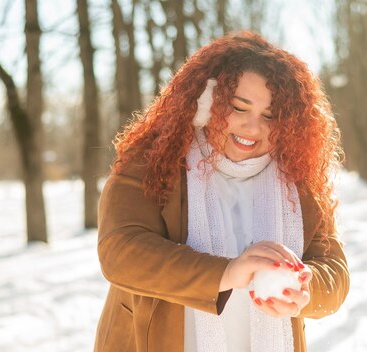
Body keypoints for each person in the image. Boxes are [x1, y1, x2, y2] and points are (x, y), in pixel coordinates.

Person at [94, 31, 349, 352]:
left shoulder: (298, 180)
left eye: (270, 116)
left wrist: (304, 288)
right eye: (239, 108)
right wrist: (227, 273)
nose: (253, 127)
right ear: (205, 101)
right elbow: (121, 252)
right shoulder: (153, 160)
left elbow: (335, 272)